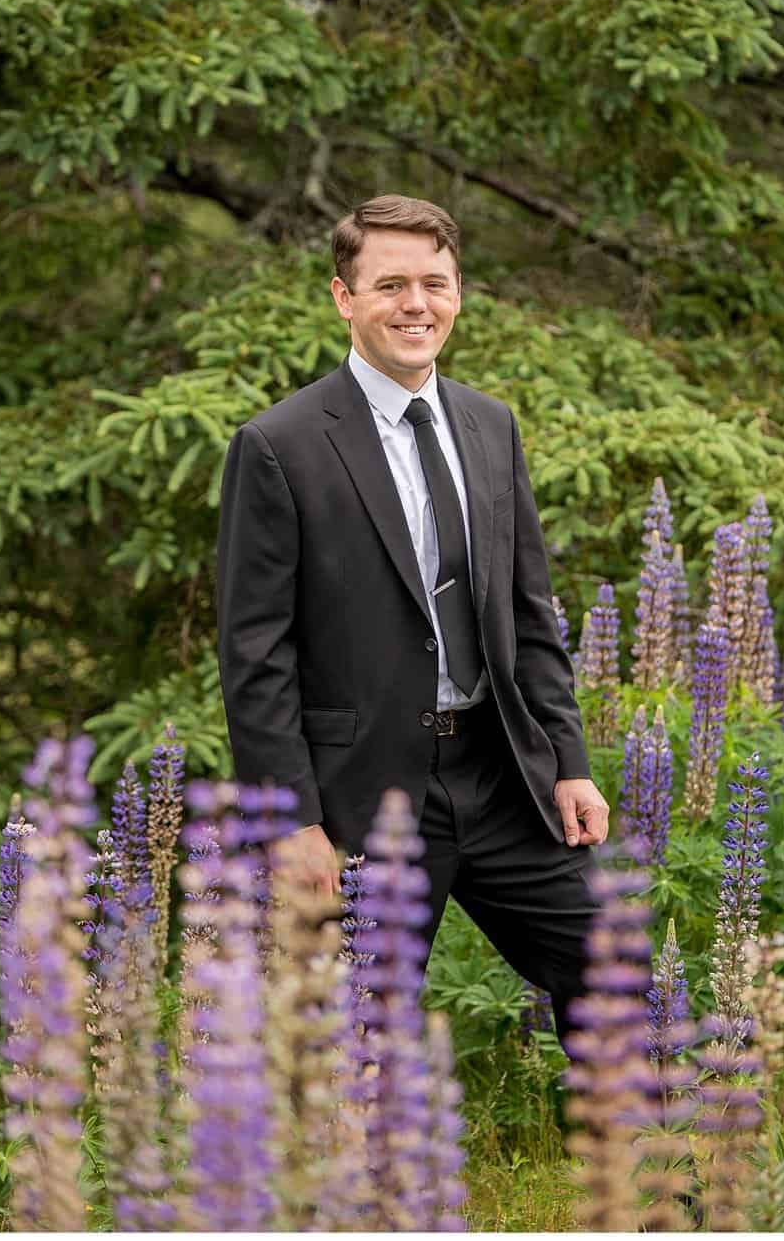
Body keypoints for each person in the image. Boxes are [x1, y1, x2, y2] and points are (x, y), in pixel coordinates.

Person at [214, 194, 611, 1020]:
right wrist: (290, 821)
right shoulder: (280, 445)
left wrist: (567, 760)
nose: (416, 305)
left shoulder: (489, 425)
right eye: (390, 284)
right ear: (343, 297)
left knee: (614, 981)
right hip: (366, 793)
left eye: (436, 283)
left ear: (459, 293)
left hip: (499, 773)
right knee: (360, 1034)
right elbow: (256, 652)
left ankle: (641, 1150)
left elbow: (529, 614)